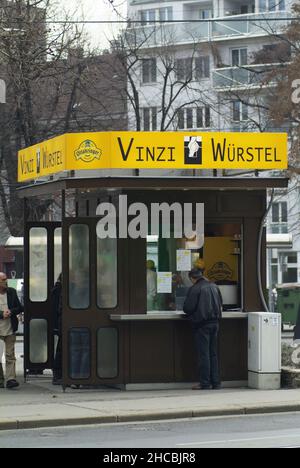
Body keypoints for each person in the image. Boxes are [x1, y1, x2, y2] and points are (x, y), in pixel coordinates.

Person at [183, 262, 223, 390]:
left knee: (203, 354)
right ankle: (216, 382)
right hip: (215, 323)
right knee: (213, 354)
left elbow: (188, 308)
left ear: (192, 278)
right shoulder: (214, 286)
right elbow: (221, 303)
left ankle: (205, 383)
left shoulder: (195, 289)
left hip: (202, 325)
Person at [0, 272, 24, 389]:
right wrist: (1, 314)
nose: (6, 281)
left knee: (10, 355)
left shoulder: (12, 292)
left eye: (6, 279)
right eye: (3, 280)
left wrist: (11, 311)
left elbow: (20, 307)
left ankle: (11, 379)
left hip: (10, 328)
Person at [51, 274, 63, 385]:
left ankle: (58, 374)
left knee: (60, 348)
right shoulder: (59, 290)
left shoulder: (56, 289)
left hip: (59, 323)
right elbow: (58, 309)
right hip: (62, 323)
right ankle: (58, 374)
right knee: (61, 348)